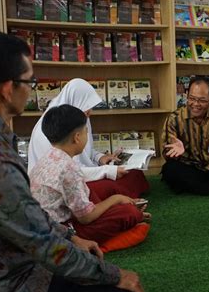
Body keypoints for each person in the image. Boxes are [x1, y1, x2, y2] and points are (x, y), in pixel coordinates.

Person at [0, 29, 143, 292]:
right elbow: (40, 243)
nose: (31, 89)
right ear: (8, 89)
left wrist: (71, 237)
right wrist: (115, 275)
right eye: (29, 81)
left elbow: (28, 214)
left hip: (8, 269)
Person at [30, 104, 151, 251]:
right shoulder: (69, 167)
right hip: (61, 232)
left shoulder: (49, 155)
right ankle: (131, 217)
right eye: (86, 132)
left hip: (49, 219)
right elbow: (85, 218)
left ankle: (127, 211)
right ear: (77, 137)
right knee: (128, 213)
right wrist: (116, 200)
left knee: (101, 187)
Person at [28, 78, 149, 200]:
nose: (90, 112)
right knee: (107, 187)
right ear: (76, 101)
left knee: (133, 173)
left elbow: (85, 150)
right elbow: (68, 173)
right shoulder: (49, 129)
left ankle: (119, 199)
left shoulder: (80, 118)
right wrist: (107, 171)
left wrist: (100, 158)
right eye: (87, 106)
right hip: (62, 185)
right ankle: (118, 201)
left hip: (84, 173)